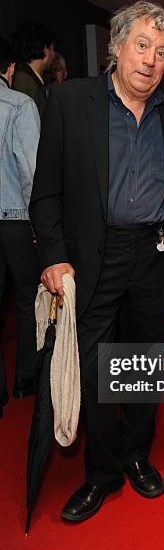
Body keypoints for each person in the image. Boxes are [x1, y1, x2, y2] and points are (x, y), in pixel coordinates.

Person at [30, 1, 164, 522]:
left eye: (162, 53)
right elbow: (45, 193)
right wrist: (52, 256)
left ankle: (137, 454)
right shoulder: (70, 102)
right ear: (116, 47)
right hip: (92, 257)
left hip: (154, 254)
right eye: (142, 46)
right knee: (95, 370)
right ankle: (100, 472)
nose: (150, 61)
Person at [0, 37, 40, 413]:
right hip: (14, 219)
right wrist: (40, 222)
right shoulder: (18, 104)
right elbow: (30, 170)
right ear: (9, 68)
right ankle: (26, 379)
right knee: (28, 298)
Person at [11, 22, 56, 120]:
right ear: (45, 50)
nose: (54, 55)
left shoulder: (28, 78)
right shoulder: (25, 83)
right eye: (52, 48)